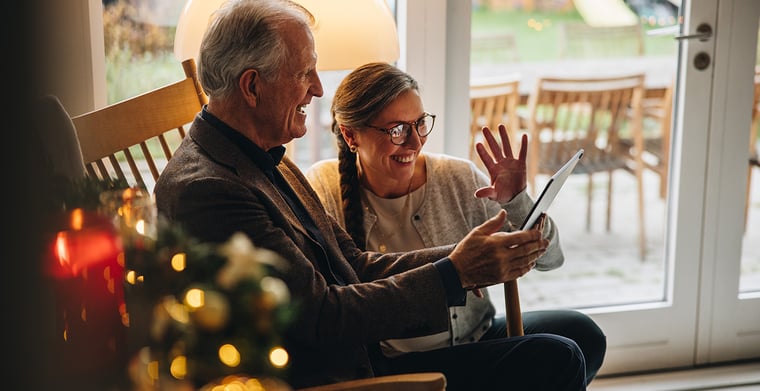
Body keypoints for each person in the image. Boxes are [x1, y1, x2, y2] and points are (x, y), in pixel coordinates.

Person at [154, 0, 587, 389]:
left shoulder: (263, 155)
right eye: (305, 72)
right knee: (557, 357)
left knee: (575, 339)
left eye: (419, 124)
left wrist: (467, 261)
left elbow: (354, 264)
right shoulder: (209, 190)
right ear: (252, 87)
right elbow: (322, 316)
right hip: (350, 377)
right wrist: (454, 273)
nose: (318, 88)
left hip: (362, 356)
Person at [305, 62, 606, 383]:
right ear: (351, 135)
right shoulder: (322, 188)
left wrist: (517, 201)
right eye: (396, 129)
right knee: (558, 355)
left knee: (583, 334)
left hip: (472, 338)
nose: (414, 141)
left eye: (420, 123)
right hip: (391, 363)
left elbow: (550, 260)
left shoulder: (456, 177)